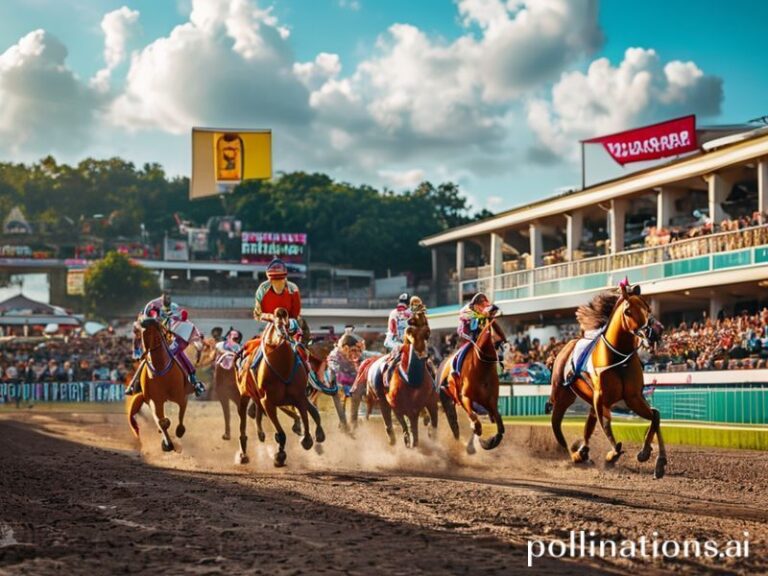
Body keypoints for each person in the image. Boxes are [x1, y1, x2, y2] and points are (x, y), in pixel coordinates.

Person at [250, 258, 321, 388]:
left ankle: (310, 375)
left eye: (280, 280)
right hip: (271, 322)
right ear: (269, 279)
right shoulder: (262, 288)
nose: (277, 283)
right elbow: (257, 314)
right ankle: (254, 368)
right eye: (274, 280)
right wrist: (272, 317)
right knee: (262, 346)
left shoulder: (293, 288)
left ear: (285, 278)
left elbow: (296, 312)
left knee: (301, 346)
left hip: (291, 322)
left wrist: (289, 322)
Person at [126, 290, 206, 397]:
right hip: (159, 337)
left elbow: (184, 317)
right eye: (165, 298)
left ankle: (194, 381)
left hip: (171, 338)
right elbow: (145, 321)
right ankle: (134, 384)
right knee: (148, 358)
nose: (166, 299)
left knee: (176, 353)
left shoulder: (175, 310)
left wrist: (197, 344)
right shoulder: (152, 308)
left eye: (168, 297)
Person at [451, 292, 499, 378]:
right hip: (465, 332)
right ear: (476, 305)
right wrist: (485, 315)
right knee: (469, 345)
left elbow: (492, 312)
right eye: (482, 306)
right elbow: (476, 317)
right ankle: (457, 370)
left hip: (476, 333)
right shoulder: (466, 310)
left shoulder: (481, 313)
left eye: (485, 306)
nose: (484, 308)